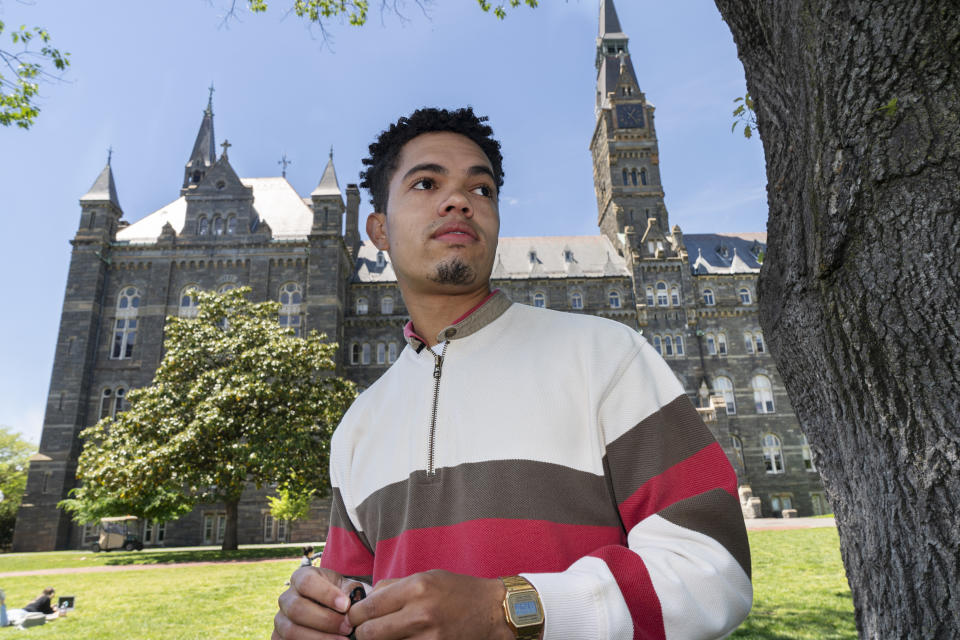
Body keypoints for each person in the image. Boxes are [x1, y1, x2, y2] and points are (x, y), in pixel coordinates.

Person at [273, 107, 752, 640]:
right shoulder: (356, 427)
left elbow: (715, 571)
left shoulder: (607, 356)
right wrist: (319, 618)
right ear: (377, 229)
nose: (459, 200)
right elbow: (354, 592)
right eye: (427, 183)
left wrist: (511, 609)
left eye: (482, 190)